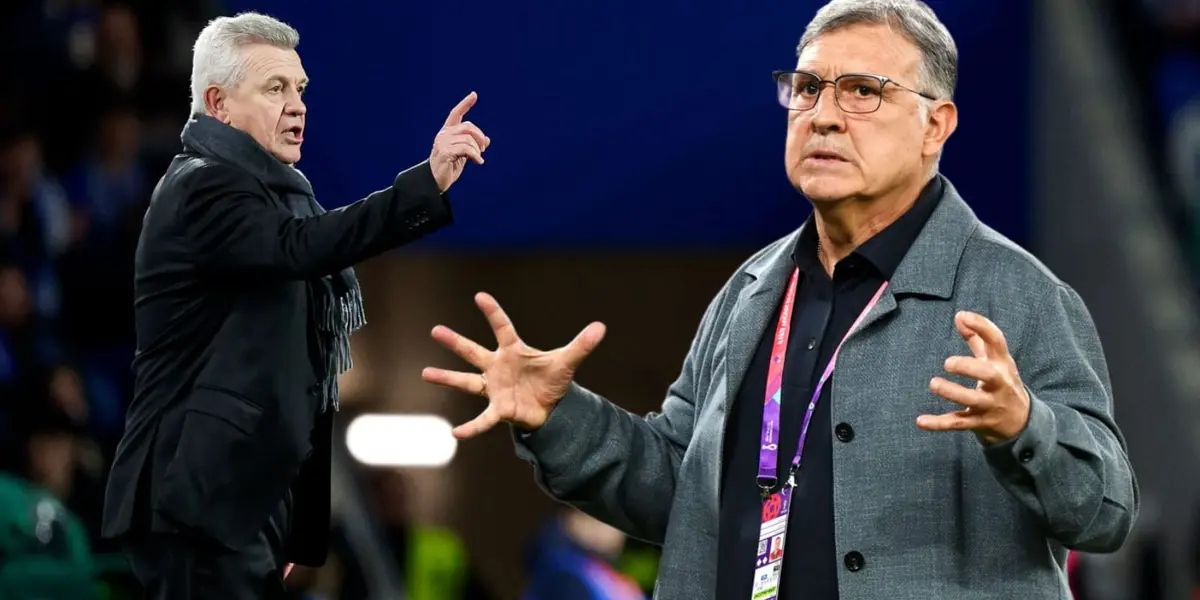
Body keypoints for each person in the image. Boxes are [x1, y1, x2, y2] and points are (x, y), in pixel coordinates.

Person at [421, 1, 1137, 599]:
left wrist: (1024, 427)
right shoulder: (752, 292)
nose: (823, 115)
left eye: (862, 90)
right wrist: (558, 419)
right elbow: (678, 490)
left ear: (936, 125)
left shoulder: (1017, 292)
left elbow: (1106, 511)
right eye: (806, 88)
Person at [100, 11, 490, 600]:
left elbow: (294, 380)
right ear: (219, 103)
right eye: (275, 88)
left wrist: (289, 526)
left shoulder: (271, 196)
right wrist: (426, 183)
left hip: (240, 505)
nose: (298, 104)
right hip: (199, 498)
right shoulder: (202, 184)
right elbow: (299, 248)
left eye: (300, 88)